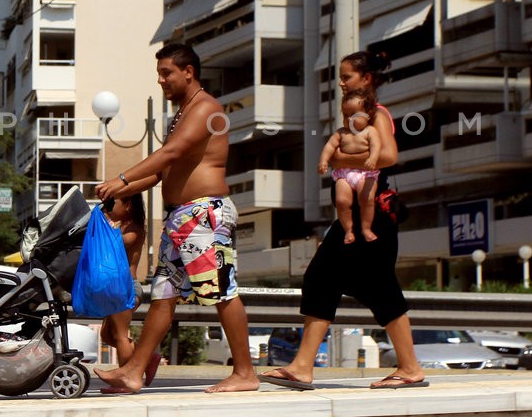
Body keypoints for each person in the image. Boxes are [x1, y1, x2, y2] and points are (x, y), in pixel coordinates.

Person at [93, 42, 260, 394]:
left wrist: (120, 179)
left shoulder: (206, 108)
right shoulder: (182, 114)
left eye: (166, 73)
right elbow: (160, 172)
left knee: (221, 293)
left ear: (189, 72)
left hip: (204, 215)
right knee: (163, 295)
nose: (161, 80)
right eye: (158, 73)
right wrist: (118, 190)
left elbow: (171, 152)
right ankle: (133, 371)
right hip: (183, 218)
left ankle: (245, 372)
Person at [259, 50, 428, 391]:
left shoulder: (376, 115)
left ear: (366, 79)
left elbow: (390, 155)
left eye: (347, 76)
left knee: (375, 285)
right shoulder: (352, 118)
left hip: (373, 213)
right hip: (355, 215)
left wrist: (341, 155)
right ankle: (303, 366)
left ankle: (409, 368)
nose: (340, 82)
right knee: (323, 277)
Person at [97, 193, 163, 394]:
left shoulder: (133, 229)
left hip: (125, 287)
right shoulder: (120, 227)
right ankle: (147, 357)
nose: (107, 208)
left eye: (111, 203)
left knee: (119, 335)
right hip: (116, 287)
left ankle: (126, 380)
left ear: (128, 206)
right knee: (107, 334)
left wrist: (103, 227)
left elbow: (117, 245)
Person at [318, 88, 382, 244]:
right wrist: (323, 161)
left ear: (368, 114)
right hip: (344, 174)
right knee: (341, 201)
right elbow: (329, 147)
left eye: (354, 115)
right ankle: (348, 229)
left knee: (367, 199)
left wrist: (373, 159)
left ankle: (366, 228)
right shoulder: (341, 133)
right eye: (346, 115)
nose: (349, 119)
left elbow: (376, 147)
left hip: (365, 173)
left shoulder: (370, 131)